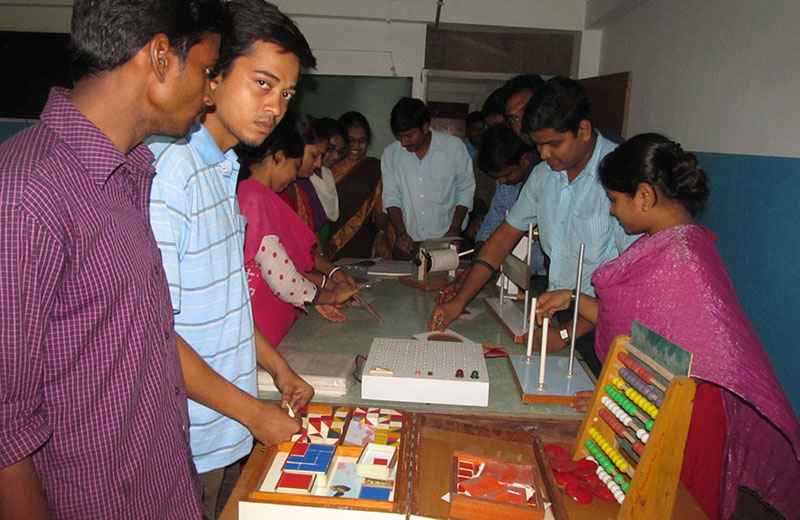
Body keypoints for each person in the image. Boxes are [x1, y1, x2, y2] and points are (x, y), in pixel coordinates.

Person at [0, 1, 224, 518]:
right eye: (208, 70)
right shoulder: (27, 192)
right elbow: (5, 432)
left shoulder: (127, 173)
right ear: (162, 57)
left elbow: (138, 342)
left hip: (161, 491)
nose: (210, 93)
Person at [536, 133, 800, 520]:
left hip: (686, 411)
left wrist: (621, 404)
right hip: (663, 397)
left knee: (675, 504)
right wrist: (574, 299)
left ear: (644, 195)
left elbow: (670, 355)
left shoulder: (682, 259)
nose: (612, 211)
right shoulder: (672, 245)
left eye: (614, 200)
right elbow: (641, 328)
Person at [147, 1, 316, 516]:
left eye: (286, 94)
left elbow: (227, 305)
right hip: (185, 441)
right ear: (214, 74)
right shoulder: (170, 172)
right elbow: (154, 333)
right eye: (263, 83)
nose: (275, 107)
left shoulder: (223, 169)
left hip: (226, 430)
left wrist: (279, 370)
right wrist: (254, 413)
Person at [429, 77, 636, 376]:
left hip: (603, 326)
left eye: (553, 144)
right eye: (539, 145)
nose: (545, 154)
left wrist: (564, 334)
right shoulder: (543, 176)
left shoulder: (621, 177)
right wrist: (460, 300)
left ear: (583, 130)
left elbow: (628, 287)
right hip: (558, 314)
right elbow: (502, 238)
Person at [236, 118, 360, 346]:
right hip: (261, 332)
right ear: (278, 157)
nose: (294, 176)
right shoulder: (255, 199)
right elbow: (285, 281)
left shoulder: (257, 196)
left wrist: (318, 295)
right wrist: (330, 296)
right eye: (295, 166)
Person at [382, 97, 475, 260]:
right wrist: (401, 233)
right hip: (409, 244)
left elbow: (465, 190)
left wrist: (454, 228)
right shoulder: (391, 154)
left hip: (448, 240)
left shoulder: (454, 148)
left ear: (425, 127)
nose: (403, 142)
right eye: (399, 137)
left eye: (409, 136)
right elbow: (391, 197)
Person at [328, 111, 392, 260]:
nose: (356, 146)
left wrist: (381, 233)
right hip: (326, 244)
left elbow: (381, 210)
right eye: (351, 140)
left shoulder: (374, 169)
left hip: (363, 244)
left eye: (362, 141)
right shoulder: (326, 167)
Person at [278, 115, 326, 233]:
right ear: (296, 147)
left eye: (322, 156)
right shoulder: (274, 188)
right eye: (314, 156)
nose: (318, 164)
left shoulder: (302, 186)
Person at [311, 117, 344, 255]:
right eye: (330, 150)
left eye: (340, 151)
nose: (336, 157)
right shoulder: (304, 177)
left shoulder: (328, 174)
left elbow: (332, 215)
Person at [464, 110, 495, 209]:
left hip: (486, 203)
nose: (479, 133)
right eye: (474, 129)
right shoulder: (460, 151)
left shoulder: (491, 151)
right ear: (467, 130)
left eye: (481, 129)